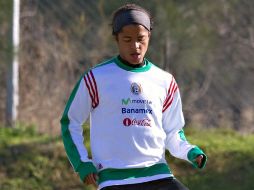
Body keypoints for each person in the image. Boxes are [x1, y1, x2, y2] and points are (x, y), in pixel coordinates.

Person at [60, 3, 207, 190]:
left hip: (158, 175)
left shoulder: (165, 81)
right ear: (116, 39)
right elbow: (70, 122)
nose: (135, 46)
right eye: (127, 39)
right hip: (114, 180)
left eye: (141, 39)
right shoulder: (96, 78)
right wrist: (82, 163)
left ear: (149, 37)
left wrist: (190, 152)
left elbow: (172, 132)